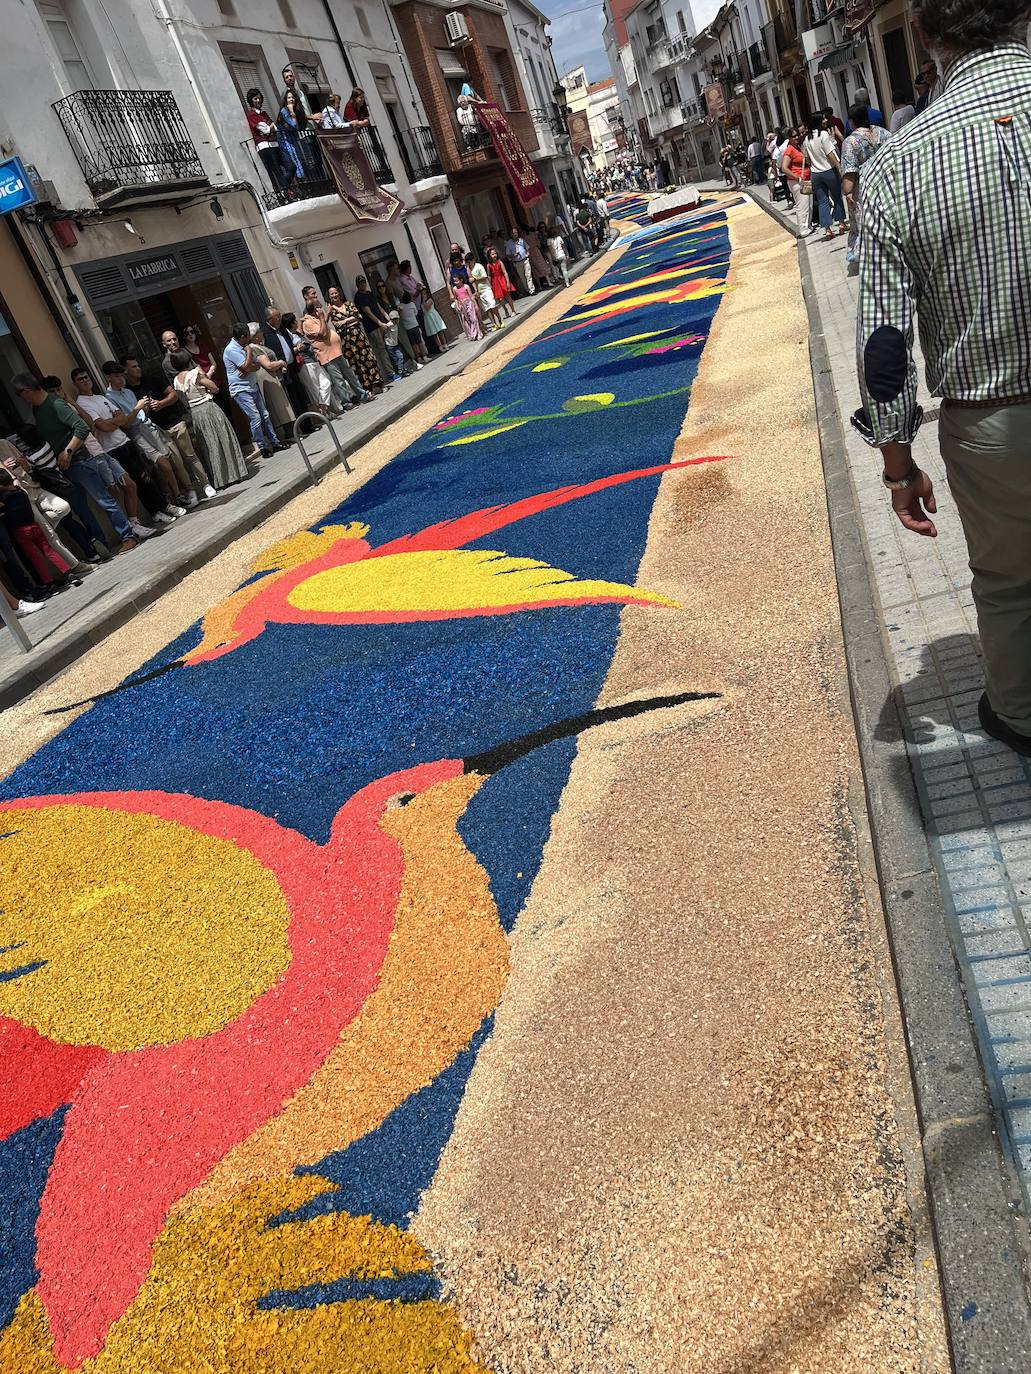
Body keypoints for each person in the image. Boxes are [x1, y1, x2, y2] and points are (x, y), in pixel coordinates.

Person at [853, 0, 1031, 757]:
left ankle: (1020, 717)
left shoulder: (898, 161)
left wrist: (898, 466)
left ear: (924, 36)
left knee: (1009, 585)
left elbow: (883, 344)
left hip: (993, 420)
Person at [11, 373, 138, 554]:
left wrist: (68, 451)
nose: (20, 398)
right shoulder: (38, 409)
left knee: (104, 500)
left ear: (27, 390)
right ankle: (100, 545)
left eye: (18, 393)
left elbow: (82, 427)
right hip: (64, 468)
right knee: (80, 508)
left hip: (80, 461)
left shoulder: (56, 404)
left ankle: (128, 536)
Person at [71, 367, 172, 535]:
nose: (85, 380)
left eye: (86, 377)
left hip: (124, 441)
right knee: (133, 483)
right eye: (80, 379)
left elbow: (122, 419)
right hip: (111, 449)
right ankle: (150, 514)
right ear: (75, 384)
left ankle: (162, 507)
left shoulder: (100, 397)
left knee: (145, 477)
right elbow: (102, 426)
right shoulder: (82, 403)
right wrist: (114, 421)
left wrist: (113, 422)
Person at [101, 360, 194, 510]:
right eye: (117, 376)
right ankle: (174, 495)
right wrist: (137, 408)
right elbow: (125, 423)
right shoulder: (109, 398)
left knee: (166, 462)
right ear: (109, 377)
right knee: (162, 464)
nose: (121, 379)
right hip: (136, 434)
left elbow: (142, 413)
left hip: (149, 427)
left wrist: (147, 407)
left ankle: (172, 494)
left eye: (121, 376)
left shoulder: (128, 392)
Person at [125, 354, 215, 499]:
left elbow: (174, 395)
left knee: (190, 455)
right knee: (177, 463)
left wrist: (161, 403)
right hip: (158, 430)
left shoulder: (152, 379)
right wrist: (145, 409)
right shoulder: (128, 392)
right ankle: (190, 489)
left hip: (174, 422)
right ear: (125, 371)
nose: (138, 369)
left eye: (138, 365)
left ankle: (206, 484)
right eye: (134, 367)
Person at [171, 350, 249, 489]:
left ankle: (220, 479)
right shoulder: (194, 373)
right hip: (207, 407)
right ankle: (234, 473)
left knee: (209, 444)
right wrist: (210, 387)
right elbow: (213, 387)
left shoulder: (176, 380)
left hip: (195, 413)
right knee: (223, 438)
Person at [839, 103, 891, 275]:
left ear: (852, 122)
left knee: (864, 224)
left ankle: (872, 259)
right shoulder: (883, 133)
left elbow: (850, 171)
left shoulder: (851, 141)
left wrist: (847, 192)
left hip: (863, 189)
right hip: (886, 182)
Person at [0, 469, 74, 590]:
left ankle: (49, 583)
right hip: (34, 526)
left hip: (21, 532)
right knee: (49, 551)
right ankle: (68, 572)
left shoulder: (4, 497)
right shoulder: (21, 492)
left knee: (35, 558)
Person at [222, 321, 284, 459]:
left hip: (252, 385)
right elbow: (245, 366)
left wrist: (249, 367)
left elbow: (256, 366)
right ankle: (262, 447)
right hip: (241, 389)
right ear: (243, 336)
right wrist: (249, 353)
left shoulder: (243, 346)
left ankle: (275, 442)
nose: (249, 340)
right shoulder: (232, 349)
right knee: (255, 417)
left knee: (265, 415)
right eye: (247, 337)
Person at [301, 302, 371, 410]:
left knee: (350, 375)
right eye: (318, 308)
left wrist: (323, 318)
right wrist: (322, 318)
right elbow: (323, 334)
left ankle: (362, 395)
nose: (321, 310)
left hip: (336, 351)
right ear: (314, 310)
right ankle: (346, 402)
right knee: (338, 380)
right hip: (327, 355)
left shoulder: (319, 318)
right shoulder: (308, 323)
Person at [324, 284, 386, 392]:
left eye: (336, 292)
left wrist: (344, 321)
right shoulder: (331, 311)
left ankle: (378, 384)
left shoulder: (348, 304)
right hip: (347, 341)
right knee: (356, 363)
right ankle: (368, 388)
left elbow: (359, 317)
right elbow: (334, 324)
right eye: (332, 294)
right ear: (329, 297)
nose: (334, 295)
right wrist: (350, 320)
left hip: (359, 336)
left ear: (339, 293)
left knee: (368, 358)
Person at [802, 111, 846, 241]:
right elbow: (830, 154)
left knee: (822, 201)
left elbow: (807, 159)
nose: (825, 121)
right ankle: (841, 223)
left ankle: (827, 229)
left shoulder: (807, 139)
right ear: (818, 122)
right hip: (828, 170)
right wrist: (839, 167)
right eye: (823, 119)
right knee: (836, 196)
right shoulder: (824, 135)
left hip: (815, 173)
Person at [247, 323, 296, 439]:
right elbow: (268, 365)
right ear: (255, 336)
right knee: (279, 408)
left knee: (282, 406)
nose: (262, 333)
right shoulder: (254, 349)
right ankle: (287, 435)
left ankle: (290, 434)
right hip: (268, 380)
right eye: (259, 332)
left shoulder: (259, 346)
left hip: (273, 378)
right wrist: (281, 363)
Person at [262, 305, 310, 418]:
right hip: (282, 371)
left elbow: (293, 337)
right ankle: (302, 426)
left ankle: (309, 422)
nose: (279, 319)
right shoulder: (265, 333)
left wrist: (298, 343)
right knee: (293, 398)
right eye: (276, 317)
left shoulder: (283, 329)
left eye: (279, 316)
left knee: (301, 394)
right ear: (269, 320)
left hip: (292, 367)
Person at [247, 88, 294, 194]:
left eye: (259, 98)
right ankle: (286, 193)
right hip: (264, 146)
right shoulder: (252, 115)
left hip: (275, 144)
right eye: (255, 99)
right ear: (251, 101)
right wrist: (269, 128)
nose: (258, 101)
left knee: (291, 166)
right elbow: (267, 129)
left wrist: (270, 128)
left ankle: (284, 188)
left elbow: (275, 128)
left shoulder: (264, 114)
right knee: (276, 172)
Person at [354, 275, 400, 382]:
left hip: (383, 324)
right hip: (373, 327)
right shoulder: (359, 297)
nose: (363, 284)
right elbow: (368, 312)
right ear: (357, 285)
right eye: (360, 283)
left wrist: (387, 317)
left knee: (390, 346)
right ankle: (390, 373)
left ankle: (399, 368)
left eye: (364, 282)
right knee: (382, 350)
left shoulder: (369, 293)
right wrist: (379, 323)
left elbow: (378, 306)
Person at [780, 127, 813, 238]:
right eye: (793, 136)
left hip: (805, 180)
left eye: (797, 135)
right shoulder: (789, 150)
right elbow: (784, 168)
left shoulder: (798, 147)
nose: (796, 137)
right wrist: (797, 177)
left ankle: (808, 226)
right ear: (789, 138)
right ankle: (803, 229)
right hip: (797, 182)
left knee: (809, 204)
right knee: (802, 205)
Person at [278, 90, 310, 184]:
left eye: (292, 97)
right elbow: (294, 125)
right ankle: (298, 183)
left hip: (293, 140)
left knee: (299, 160)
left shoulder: (295, 110)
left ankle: (303, 181)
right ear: (285, 100)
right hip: (286, 142)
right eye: (289, 97)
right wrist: (292, 111)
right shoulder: (284, 111)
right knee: (295, 161)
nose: (291, 99)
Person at [467, 251, 502, 332]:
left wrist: (475, 279)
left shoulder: (479, 266)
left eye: (470, 261)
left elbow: (485, 277)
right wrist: (476, 291)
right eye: (467, 262)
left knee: (492, 305)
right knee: (487, 309)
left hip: (486, 289)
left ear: (473, 260)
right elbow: (470, 280)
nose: (469, 263)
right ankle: (493, 324)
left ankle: (500, 320)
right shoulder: (469, 269)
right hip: (480, 291)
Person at [486, 247, 516, 320]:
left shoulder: (500, 262)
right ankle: (505, 309)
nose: (494, 255)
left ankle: (513, 310)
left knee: (507, 296)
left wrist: (508, 282)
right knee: (500, 299)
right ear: (489, 256)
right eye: (492, 254)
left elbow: (505, 272)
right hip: (495, 282)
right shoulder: (488, 265)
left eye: (495, 253)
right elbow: (489, 276)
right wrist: (490, 285)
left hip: (502, 279)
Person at [398, 292, 429, 362]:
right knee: (419, 342)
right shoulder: (412, 304)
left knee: (413, 344)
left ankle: (418, 358)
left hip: (407, 327)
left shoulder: (400, 306)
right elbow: (416, 313)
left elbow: (400, 315)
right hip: (415, 325)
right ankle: (424, 356)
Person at [504, 227, 534, 297]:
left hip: (525, 260)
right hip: (517, 262)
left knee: (528, 275)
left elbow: (527, 248)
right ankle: (527, 290)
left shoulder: (521, 240)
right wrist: (513, 255)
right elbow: (507, 254)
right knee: (522, 277)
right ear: (511, 234)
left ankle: (532, 290)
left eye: (516, 233)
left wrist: (527, 254)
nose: (515, 234)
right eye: (513, 233)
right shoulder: (509, 243)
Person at [419, 288, 450, 353]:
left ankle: (445, 344)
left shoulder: (430, 300)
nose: (424, 296)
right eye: (422, 294)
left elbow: (427, 308)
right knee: (434, 334)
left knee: (440, 331)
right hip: (428, 318)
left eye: (425, 294)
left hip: (433, 316)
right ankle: (440, 347)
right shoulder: (421, 303)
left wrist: (424, 301)